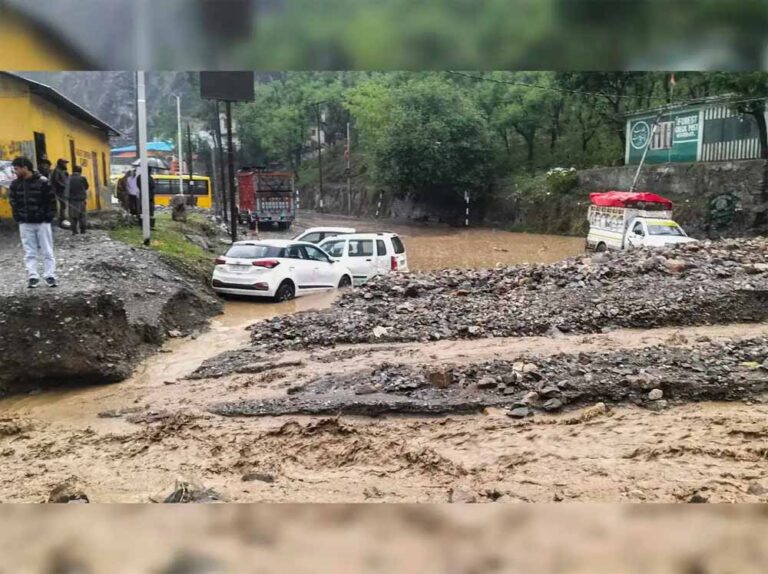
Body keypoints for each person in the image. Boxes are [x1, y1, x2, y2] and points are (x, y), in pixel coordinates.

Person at [8, 156, 57, 288]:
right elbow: (13, 202)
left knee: (47, 250)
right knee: (29, 251)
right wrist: (18, 217)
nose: (15, 172)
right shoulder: (15, 185)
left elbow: (51, 202)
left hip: (42, 223)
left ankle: (50, 275)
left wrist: (48, 217)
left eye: (17, 169)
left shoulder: (43, 182)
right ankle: (33, 276)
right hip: (25, 223)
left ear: (25, 168)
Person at [67, 165, 89, 235]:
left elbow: (66, 188)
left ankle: (74, 230)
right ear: (80, 171)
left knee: (73, 216)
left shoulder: (69, 178)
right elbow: (86, 187)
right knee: (82, 215)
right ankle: (83, 230)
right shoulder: (82, 178)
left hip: (72, 200)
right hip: (81, 200)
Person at [50, 158, 70, 227]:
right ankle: (61, 221)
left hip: (63, 192)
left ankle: (63, 220)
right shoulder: (57, 171)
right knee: (61, 206)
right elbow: (56, 181)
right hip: (59, 192)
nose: (65, 165)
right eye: (64, 163)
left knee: (63, 206)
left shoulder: (62, 171)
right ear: (61, 164)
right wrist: (63, 186)